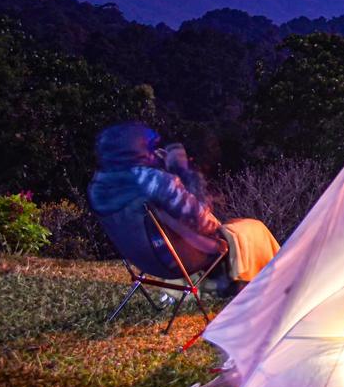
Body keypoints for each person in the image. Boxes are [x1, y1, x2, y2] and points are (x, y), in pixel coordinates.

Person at [88, 123, 277, 291]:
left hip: (146, 262)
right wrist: (182, 171)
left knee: (237, 228)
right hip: (180, 260)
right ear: (139, 151)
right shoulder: (153, 181)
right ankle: (274, 284)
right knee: (253, 228)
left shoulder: (98, 186)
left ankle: (226, 284)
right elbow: (205, 222)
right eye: (151, 147)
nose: (155, 151)